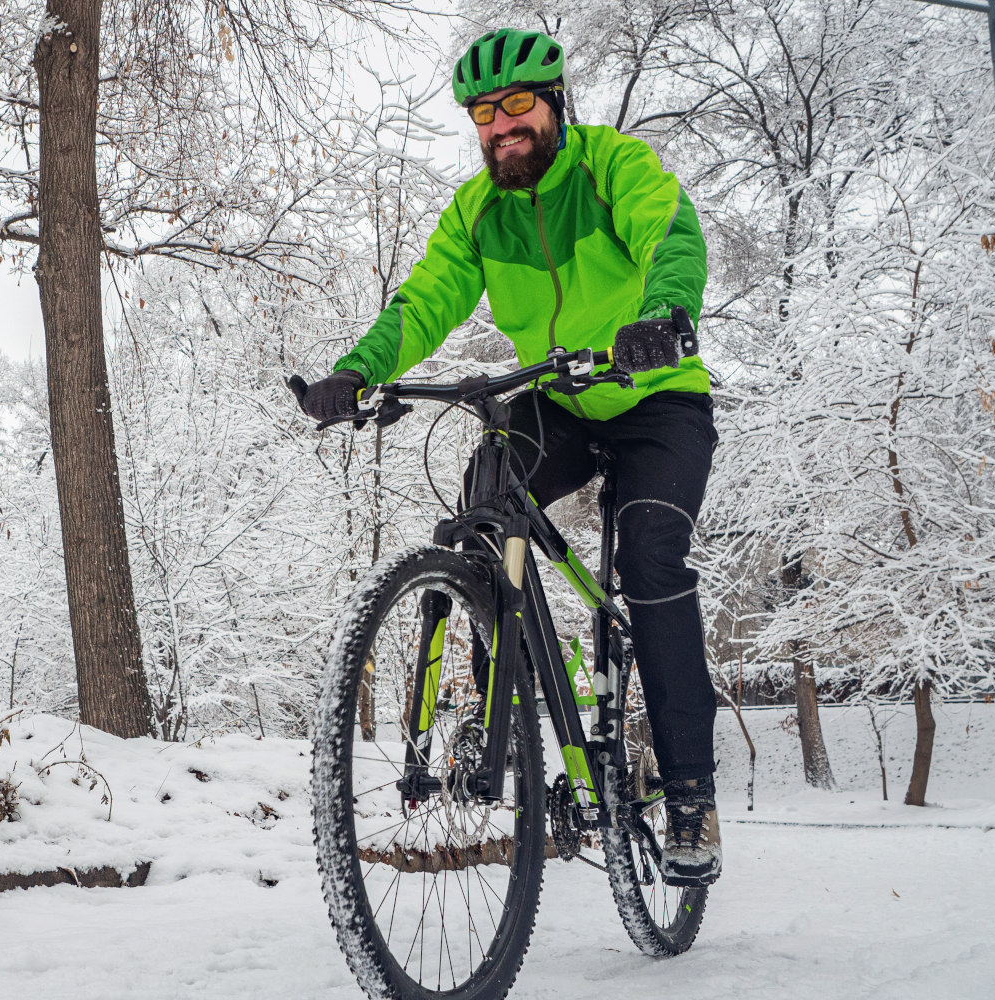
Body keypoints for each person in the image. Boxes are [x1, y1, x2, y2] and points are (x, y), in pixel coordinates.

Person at [296, 28, 721, 885]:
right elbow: (425, 301)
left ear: (555, 105)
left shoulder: (611, 167)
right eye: (484, 114)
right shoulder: (477, 210)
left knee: (647, 554)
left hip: (657, 396)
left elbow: (669, 231)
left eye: (517, 107)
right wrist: (358, 370)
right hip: (560, 400)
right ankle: (496, 712)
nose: (500, 127)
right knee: (487, 492)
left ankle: (688, 796)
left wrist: (666, 311)